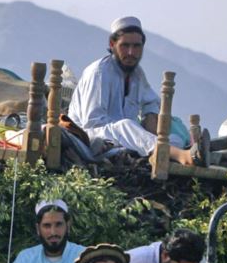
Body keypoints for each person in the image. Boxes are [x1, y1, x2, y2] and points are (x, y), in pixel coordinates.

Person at [68, 16, 205, 167]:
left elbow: (151, 101)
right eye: (125, 46)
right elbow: (92, 124)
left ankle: (170, 151)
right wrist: (131, 132)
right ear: (112, 44)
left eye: (136, 46)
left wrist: (150, 117)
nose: (131, 52)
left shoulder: (137, 74)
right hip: (91, 139)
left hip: (128, 138)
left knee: (174, 139)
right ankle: (182, 157)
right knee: (127, 125)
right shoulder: (98, 72)